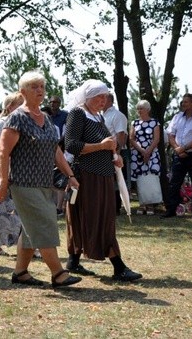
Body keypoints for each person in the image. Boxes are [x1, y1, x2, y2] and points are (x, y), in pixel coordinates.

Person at [0, 72, 81, 287]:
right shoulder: (17, 117)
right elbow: (3, 152)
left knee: (31, 228)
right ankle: (58, 273)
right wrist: (3, 183)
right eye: (34, 86)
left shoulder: (47, 118)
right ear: (22, 92)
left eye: (42, 86)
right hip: (23, 184)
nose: (40, 90)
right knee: (43, 224)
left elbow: (56, 151)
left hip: (45, 183)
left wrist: (70, 175)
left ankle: (20, 272)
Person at [64, 79, 142, 281]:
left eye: (105, 96)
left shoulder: (97, 117)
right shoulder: (78, 113)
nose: (103, 100)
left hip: (104, 174)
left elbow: (108, 145)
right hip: (87, 175)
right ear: (88, 97)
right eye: (99, 96)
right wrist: (101, 146)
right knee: (92, 217)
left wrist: (114, 156)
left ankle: (73, 261)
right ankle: (118, 266)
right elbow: (71, 145)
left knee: (96, 216)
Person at [0, 92, 24, 256]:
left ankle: (25, 244)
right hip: (5, 172)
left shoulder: (20, 122)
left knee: (17, 210)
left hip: (19, 172)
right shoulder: (2, 123)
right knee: (1, 209)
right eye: (19, 104)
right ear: (10, 107)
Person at [163, 93, 192, 218]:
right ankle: (171, 210)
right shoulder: (177, 117)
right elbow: (170, 134)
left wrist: (183, 148)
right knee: (174, 183)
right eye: (182, 102)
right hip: (179, 154)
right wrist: (177, 149)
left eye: (186, 102)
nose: (183, 104)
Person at [129, 100, 163, 214]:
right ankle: (142, 203)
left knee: (151, 178)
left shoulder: (155, 122)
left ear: (148, 109)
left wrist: (148, 152)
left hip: (152, 153)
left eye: (141, 108)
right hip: (138, 153)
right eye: (138, 109)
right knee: (140, 179)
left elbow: (156, 139)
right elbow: (131, 139)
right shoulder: (135, 123)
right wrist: (142, 151)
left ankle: (151, 205)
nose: (139, 111)